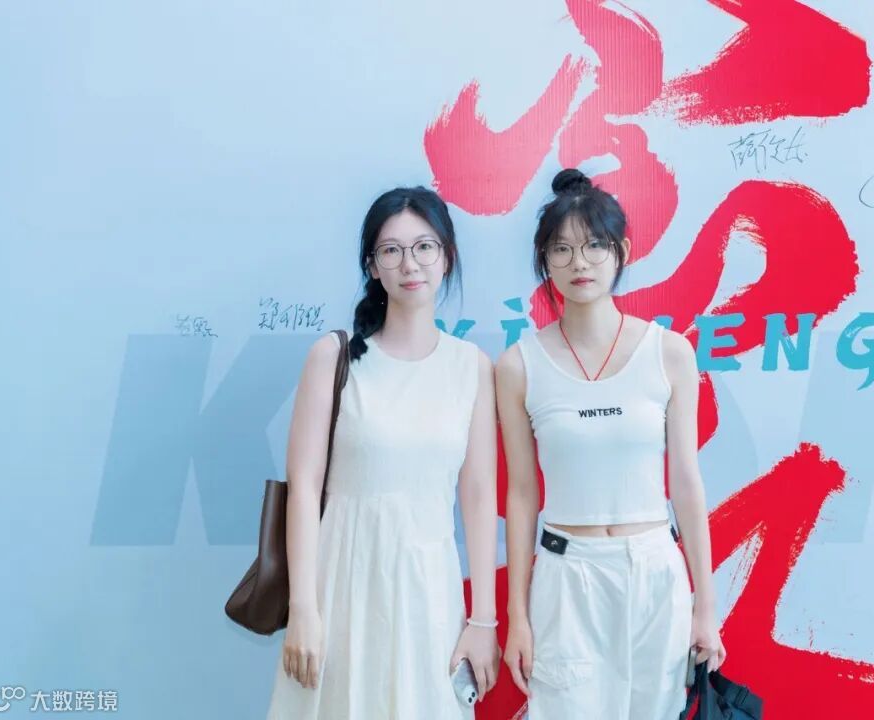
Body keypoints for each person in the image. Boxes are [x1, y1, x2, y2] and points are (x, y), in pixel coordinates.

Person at [497, 169, 726, 719]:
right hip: (566, 578)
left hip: (653, 573)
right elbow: (522, 494)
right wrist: (518, 616)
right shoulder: (518, 366)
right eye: (562, 249)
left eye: (595, 246)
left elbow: (686, 483)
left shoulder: (670, 353)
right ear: (544, 260)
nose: (580, 262)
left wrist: (705, 606)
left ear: (621, 251)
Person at [266, 186, 500, 719]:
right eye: (391, 250)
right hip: (340, 587)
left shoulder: (471, 367)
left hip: (428, 592)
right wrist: (304, 609)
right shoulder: (334, 357)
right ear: (372, 266)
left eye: (424, 247)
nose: (409, 264)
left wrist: (482, 621)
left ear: (446, 256)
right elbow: (304, 489)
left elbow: (479, 497)